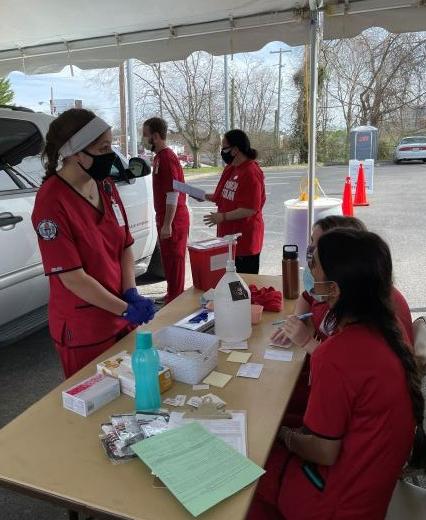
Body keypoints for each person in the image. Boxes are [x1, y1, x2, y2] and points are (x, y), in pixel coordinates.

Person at [249, 229, 426, 520]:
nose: (309, 269)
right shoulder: (386, 328)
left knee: (248, 462)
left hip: (335, 503)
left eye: (315, 264)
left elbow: (323, 451)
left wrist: (285, 437)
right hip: (368, 491)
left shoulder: (338, 354)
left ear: (334, 289)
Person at [32, 109, 155, 378]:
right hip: (86, 328)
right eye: (103, 148)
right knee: (97, 406)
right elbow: (73, 278)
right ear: (76, 152)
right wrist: (125, 309)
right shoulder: (51, 202)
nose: (110, 154)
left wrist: (130, 292)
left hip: (121, 314)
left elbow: (124, 244)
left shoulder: (105, 186)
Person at [271, 215, 414, 350]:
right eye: (311, 241)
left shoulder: (358, 315)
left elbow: (343, 360)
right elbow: (308, 296)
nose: (311, 253)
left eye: (319, 248)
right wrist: (297, 320)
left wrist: (306, 341)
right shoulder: (355, 289)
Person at [203, 129, 265, 274]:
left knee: (243, 287)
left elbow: (250, 208)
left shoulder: (251, 172)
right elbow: (223, 195)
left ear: (236, 149)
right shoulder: (231, 169)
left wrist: (222, 217)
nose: (222, 151)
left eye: (224, 147)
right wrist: (202, 196)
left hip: (244, 242)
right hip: (228, 240)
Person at [142, 117, 190, 304]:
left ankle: (176, 298)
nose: (143, 140)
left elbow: (173, 193)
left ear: (155, 136)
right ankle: (172, 292)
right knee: (168, 259)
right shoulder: (160, 158)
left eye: (145, 135)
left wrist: (168, 224)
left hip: (174, 218)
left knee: (175, 259)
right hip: (165, 216)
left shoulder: (167, 158)